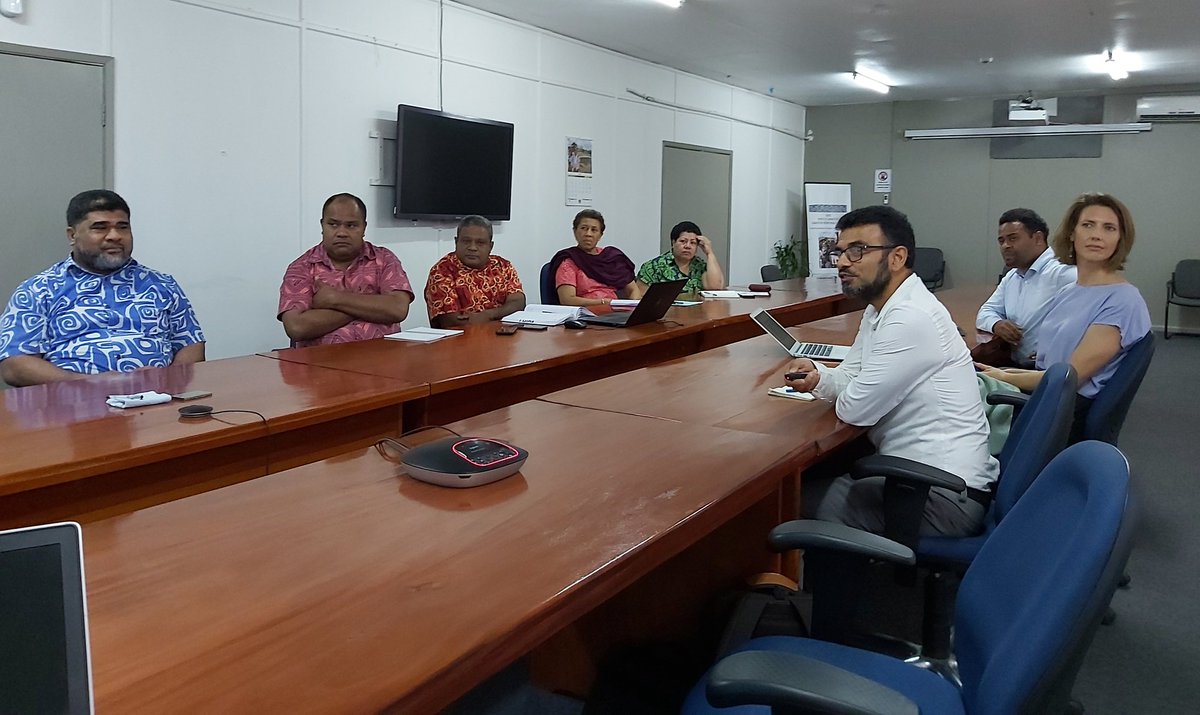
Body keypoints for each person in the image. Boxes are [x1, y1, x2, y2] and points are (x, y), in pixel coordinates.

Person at [785, 206, 998, 537]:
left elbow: (855, 408)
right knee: (809, 478)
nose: (842, 262)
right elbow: (848, 377)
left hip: (939, 495)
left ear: (897, 257)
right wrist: (819, 376)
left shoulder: (910, 317)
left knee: (781, 500)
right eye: (839, 251)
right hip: (920, 480)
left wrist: (845, 387)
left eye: (857, 251)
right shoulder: (880, 309)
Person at [977, 194, 1150, 437]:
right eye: (1088, 225)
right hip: (1047, 393)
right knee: (972, 383)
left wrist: (1004, 376)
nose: (1097, 235)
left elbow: (1068, 378)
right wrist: (998, 374)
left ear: (1120, 238)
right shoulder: (1070, 291)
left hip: (1063, 411)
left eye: (1109, 228)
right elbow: (1050, 370)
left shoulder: (1123, 301)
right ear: (1072, 233)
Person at [0, 189, 205, 387]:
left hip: (157, 401)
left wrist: (170, 381)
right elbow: (14, 365)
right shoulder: (38, 290)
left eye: (123, 227)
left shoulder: (161, 284)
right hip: (72, 406)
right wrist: (89, 384)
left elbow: (191, 344)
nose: (114, 236)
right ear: (72, 235)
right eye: (100, 227)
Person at [278, 193, 413, 347]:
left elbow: (397, 309)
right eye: (333, 224)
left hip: (382, 362)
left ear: (364, 228)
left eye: (351, 225)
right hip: (320, 366)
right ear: (322, 226)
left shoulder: (384, 259)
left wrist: (334, 299)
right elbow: (297, 327)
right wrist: (371, 305)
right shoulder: (302, 268)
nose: (341, 233)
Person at [974, 208, 1076, 367]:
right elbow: (986, 311)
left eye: (1013, 238)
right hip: (1016, 366)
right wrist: (997, 324)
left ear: (1038, 238)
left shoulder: (1064, 274)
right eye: (1001, 241)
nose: (1005, 246)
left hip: (1046, 372)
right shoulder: (1013, 276)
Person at [425, 215, 526, 327]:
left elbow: (518, 303)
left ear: (490, 246)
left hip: (502, 338)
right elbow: (452, 322)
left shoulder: (503, 266)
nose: (472, 247)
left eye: (480, 243)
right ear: (456, 242)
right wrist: (502, 314)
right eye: (466, 241)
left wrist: (488, 315)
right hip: (459, 341)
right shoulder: (442, 271)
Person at [550, 209, 643, 307]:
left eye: (594, 230)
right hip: (586, 315)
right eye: (583, 228)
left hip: (617, 312)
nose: (588, 234)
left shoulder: (612, 258)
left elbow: (633, 289)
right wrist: (603, 302)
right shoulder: (568, 262)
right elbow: (567, 300)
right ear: (575, 231)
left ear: (600, 235)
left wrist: (633, 304)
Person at [634, 221, 726, 294]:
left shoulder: (700, 266)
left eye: (693, 243)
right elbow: (640, 298)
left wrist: (709, 253)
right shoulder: (653, 267)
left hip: (698, 315)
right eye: (683, 241)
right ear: (673, 243)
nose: (688, 246)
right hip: (666, 316)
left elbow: (715, 287)